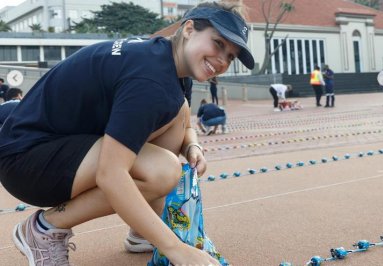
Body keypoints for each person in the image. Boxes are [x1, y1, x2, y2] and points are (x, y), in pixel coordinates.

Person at [0, 2, 254, 266]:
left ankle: (144, 230)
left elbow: (185, 123)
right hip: (25, 162)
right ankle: (43, 229)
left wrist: (193, 147)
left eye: (231, 56)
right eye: (218, 44)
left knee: (177, 111)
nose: (223, 60)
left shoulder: (168, 61)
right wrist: (177, 249)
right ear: (189, 29)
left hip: (53, 147)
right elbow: (111, 174)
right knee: (163, 170)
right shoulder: (150, 80)